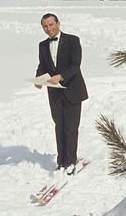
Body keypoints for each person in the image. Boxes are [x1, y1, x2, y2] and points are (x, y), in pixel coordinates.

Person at [35, 13, 88, 173]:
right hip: (55, 93)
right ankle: (61, 161)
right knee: (59, 127)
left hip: (73, 91)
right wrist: (38, 79)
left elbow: (75, 65)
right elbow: (42, 65)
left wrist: (61, 76)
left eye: (51, 24)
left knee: (70, 128)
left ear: (58, 24)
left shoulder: (73, 40)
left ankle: (70, 162)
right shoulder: (42, 45)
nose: (48, 28)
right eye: (45, 26)